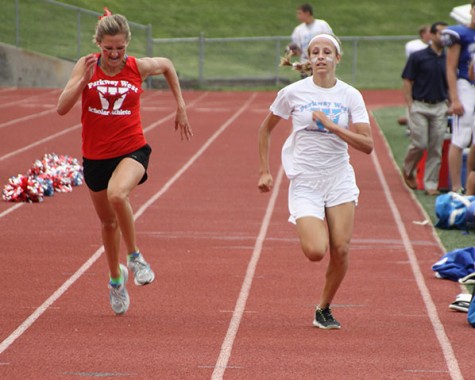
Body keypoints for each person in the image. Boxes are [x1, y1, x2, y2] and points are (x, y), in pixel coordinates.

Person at [56, 10, 192, 315]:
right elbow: (61, 108)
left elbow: (167, 65)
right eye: (108, 48)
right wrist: (83, 83)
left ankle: (135, 256)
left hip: (132, 149)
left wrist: (180, 105)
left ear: (127, 43)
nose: (115, 54)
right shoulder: (86, 65)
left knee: (118, 194)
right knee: (107, 223)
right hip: (95, 156)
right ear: (99, 44)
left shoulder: (137, 67)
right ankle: (116, 280)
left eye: (120, 48)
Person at [258, 33, 373, 329]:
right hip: (306, 181)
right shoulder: (293, 93)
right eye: (315, 52)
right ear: (308, 60)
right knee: (316, 251)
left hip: (339, 178)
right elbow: (265, 130)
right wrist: (265, 170)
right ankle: (316, 221)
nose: (321, 56)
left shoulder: (350, 95)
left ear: (337, 58)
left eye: (326, 52)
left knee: (342, 249)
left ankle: (323, 308)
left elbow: (367, 144)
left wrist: (333, 126)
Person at [401, 22, 449, 196]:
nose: (444, 38)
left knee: (436, 148)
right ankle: (408, 168)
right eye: (441, 34)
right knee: (420, 144)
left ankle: (430, 185)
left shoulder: (449, 58)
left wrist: (450, 103)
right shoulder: (418, 56)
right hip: (419, 105)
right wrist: (410, 104)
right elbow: (407, 80)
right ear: (432, 35)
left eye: (447, 34)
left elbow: (451, 83)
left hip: (440, 106)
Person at [441, 0, 475, 194]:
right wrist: (454, 98)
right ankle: (455, 187)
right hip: (465, 86)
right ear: (471, 10)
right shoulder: (459, 34)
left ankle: (471, 188)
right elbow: (450, 67)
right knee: (460, 137)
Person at [287, 3, 333, 78]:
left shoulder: (322, 25)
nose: (298, 16)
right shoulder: (298, 30)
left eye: (300, 13)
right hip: (305, 63)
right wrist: (292, 51)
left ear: (307, 13)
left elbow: (332, 41)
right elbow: (298, 50)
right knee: (306, 87)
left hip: (321, 61)